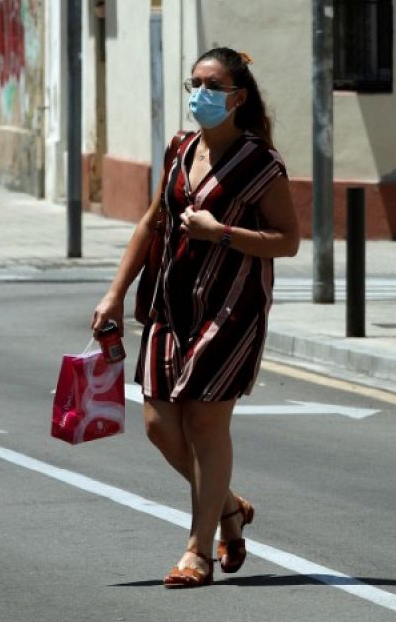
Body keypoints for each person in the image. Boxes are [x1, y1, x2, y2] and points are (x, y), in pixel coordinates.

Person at [91, 46, 300, 589]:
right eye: (195, 84)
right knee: (159, 425)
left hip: (231, 308)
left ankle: (197, 551)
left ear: (238, 97)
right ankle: (230, 507)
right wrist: (115, 293)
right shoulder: (180, 149)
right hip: (169, 303)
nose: (200, 94)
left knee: (206, 424)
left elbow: (288, 241)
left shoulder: (260, 163)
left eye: (212, 85)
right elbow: (151, 222)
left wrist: (221, 233)